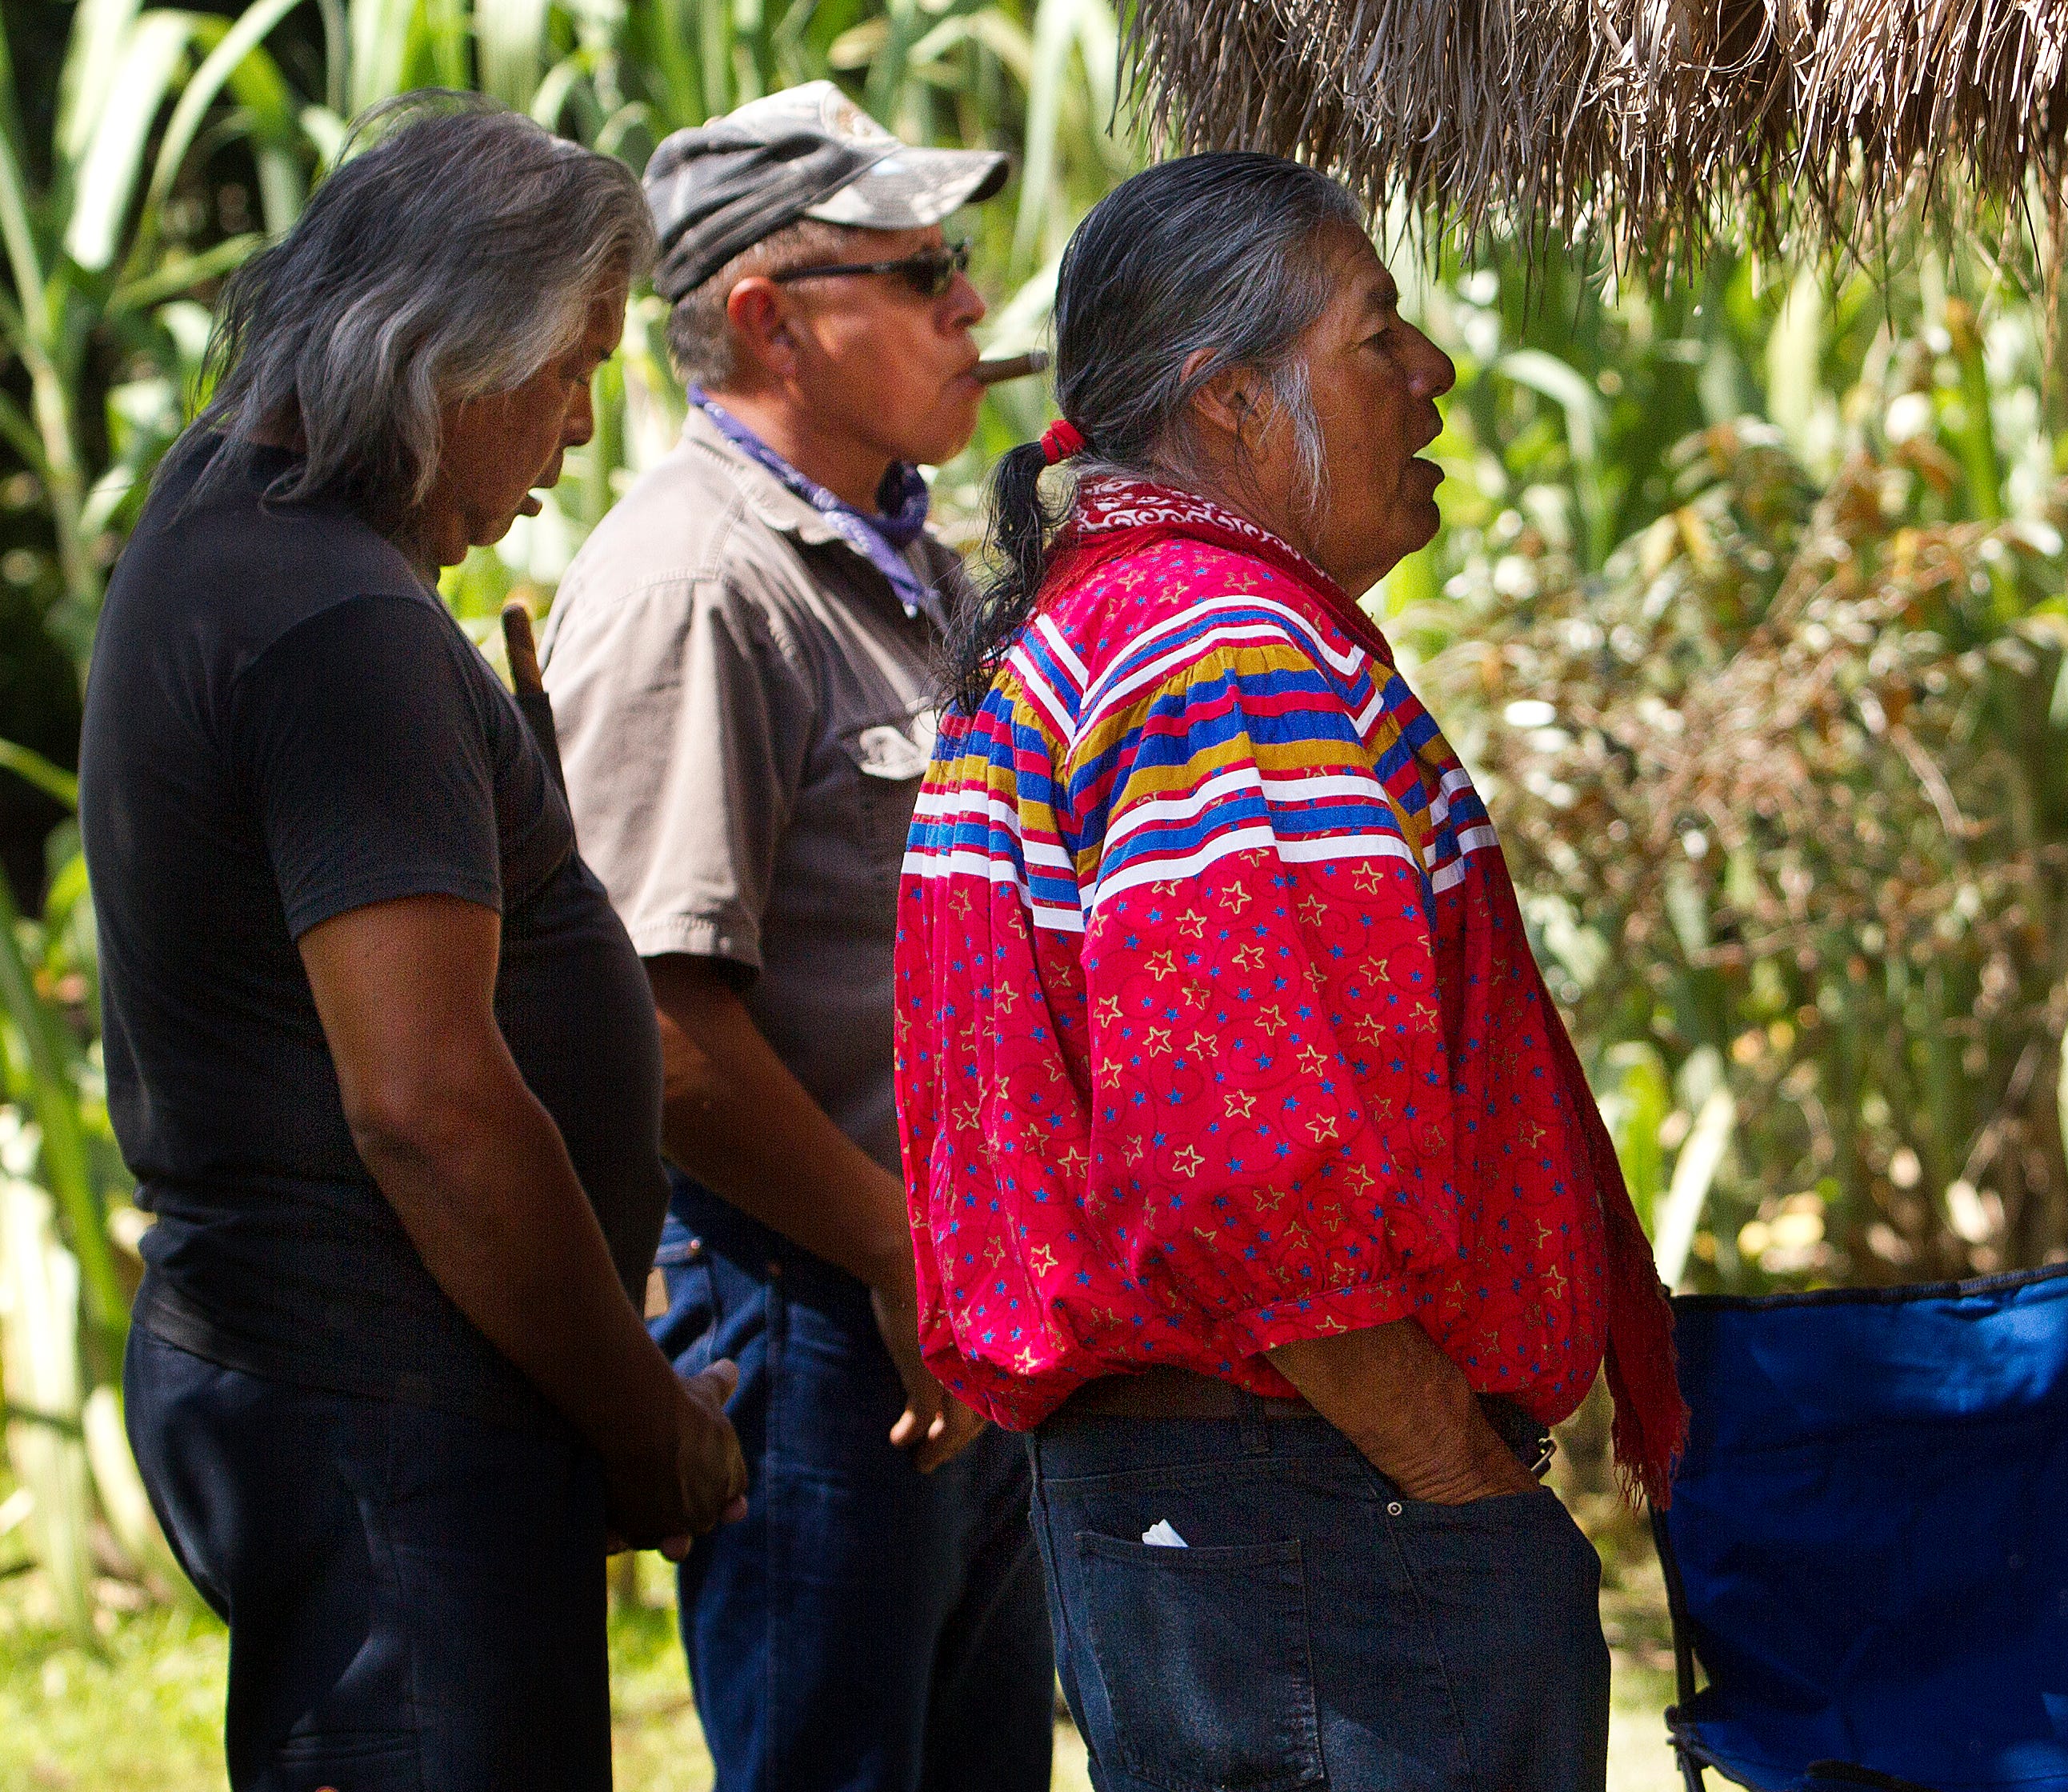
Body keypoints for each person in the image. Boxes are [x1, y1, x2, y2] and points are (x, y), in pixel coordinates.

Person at [894, 151, 1687, 1791]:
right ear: (1234, 402)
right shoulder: (1224, 653)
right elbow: (1242, 1156)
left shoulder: (1105, 632)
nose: (1431, 374)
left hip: (1232, 1508)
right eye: (1375, 333)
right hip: (1316, 1512)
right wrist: (1452, 1470)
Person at [82, 95, 746, 1788]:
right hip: (384, 1421)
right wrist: (642, 1419)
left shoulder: (231, 524)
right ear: (443, 350)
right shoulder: (333, 621)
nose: (577, 430)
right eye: (565, 370)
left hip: (347, 1397)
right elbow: (430, 1109)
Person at [540, 82, 1055, 1791]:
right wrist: (898, 1252)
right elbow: (660, 1033)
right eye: (921, 272)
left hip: (940, 1290)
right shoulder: (698, 581)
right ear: (768, 318)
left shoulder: (901, 558)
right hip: (815, 1303)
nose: (971, 307)